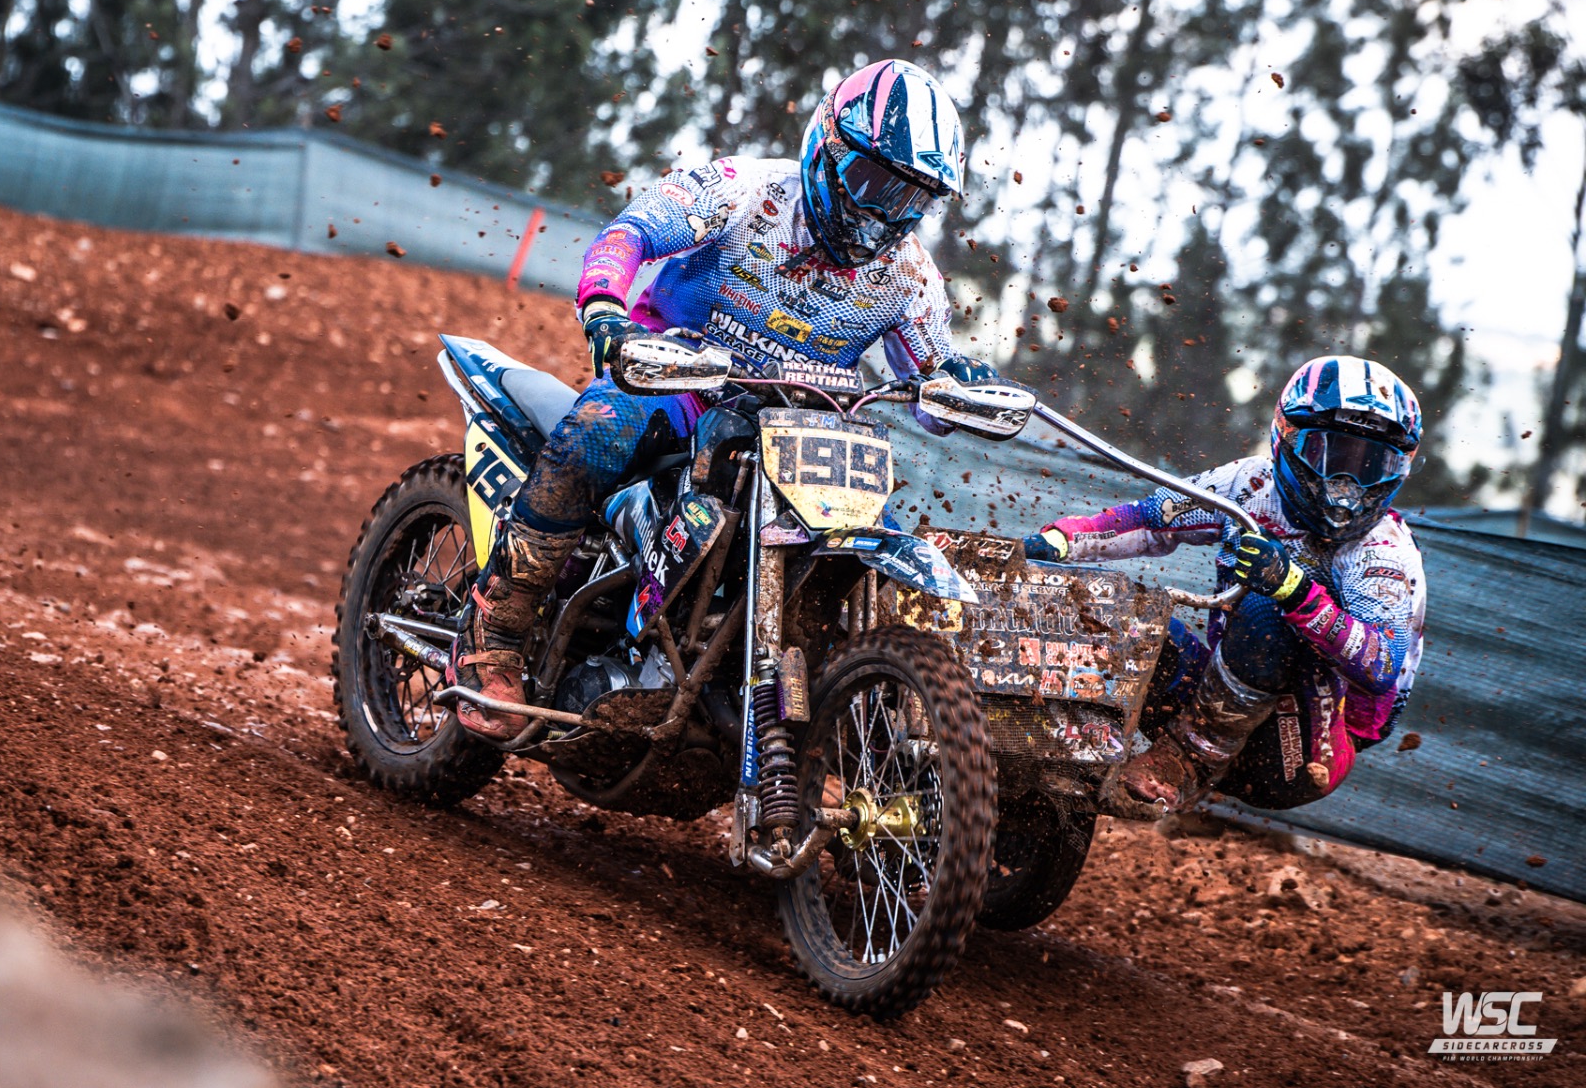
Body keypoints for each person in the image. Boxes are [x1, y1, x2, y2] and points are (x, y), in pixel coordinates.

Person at [450, 59, 992, 738]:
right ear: (828, 148)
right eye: (874, 182)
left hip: (797, 430)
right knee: (596, 433)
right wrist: (606, 310)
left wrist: (959, 384)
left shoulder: (910, 278)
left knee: (863, 527)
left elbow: (930, 385)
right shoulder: (745, 191)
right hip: (677, 381)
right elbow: (630, 235)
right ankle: (495, 627)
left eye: (912, 198)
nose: (886, 211)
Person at [1021, 356, 1428, 814]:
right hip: (1220, 694)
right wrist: (1060, 541)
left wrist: (1293, 589)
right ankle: (1063, 751)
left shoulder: (1383, 551)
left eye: (1372, 464)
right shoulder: (1250, 483)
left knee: (1266, 608)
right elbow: (1151, 519)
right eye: (1332, 454)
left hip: (1305, 753)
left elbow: (1380, 667)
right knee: (1128, 621)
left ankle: (1187, 761)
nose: (1347, 485)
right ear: (1288, 436)